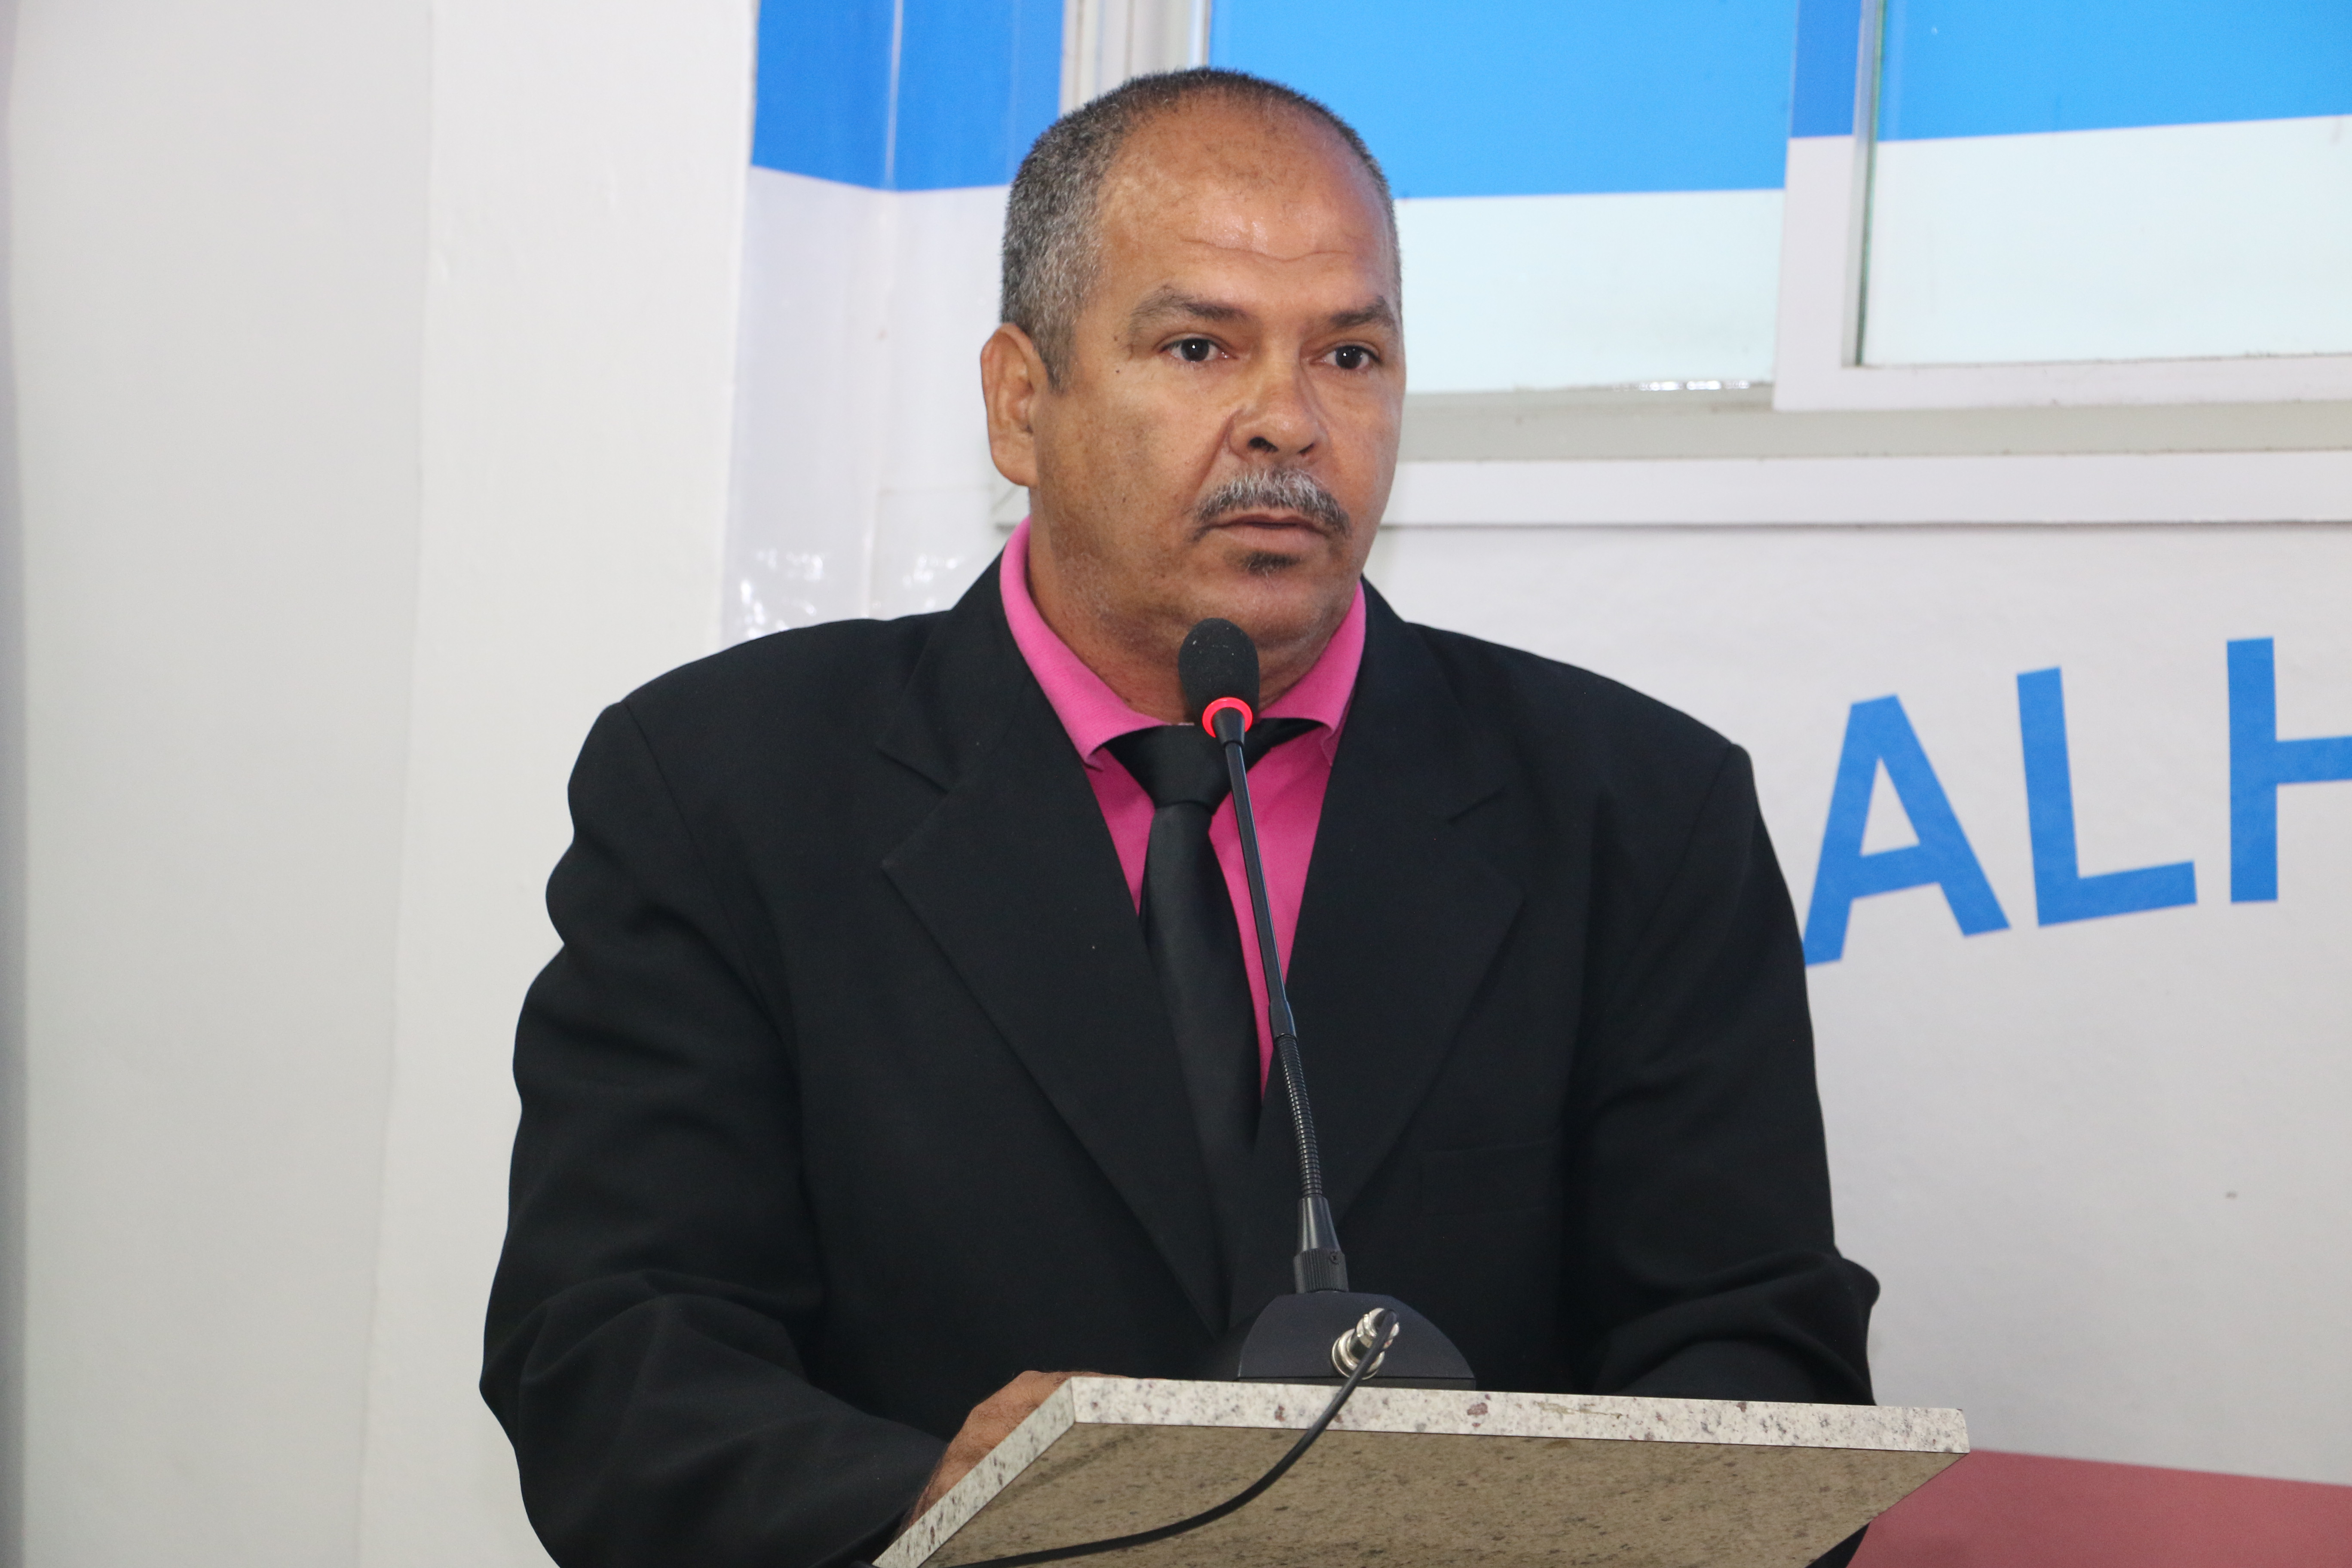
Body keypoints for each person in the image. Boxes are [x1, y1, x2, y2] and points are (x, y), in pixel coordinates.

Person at [483, 68, 1877, 1568]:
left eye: (1349, 354)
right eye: (1201, 346)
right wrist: (938, 1504)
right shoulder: (728, 787)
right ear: (1022, 403)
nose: (1287, 420)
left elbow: (1758, 1359)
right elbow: (613, 1352)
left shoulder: (1637, 810)